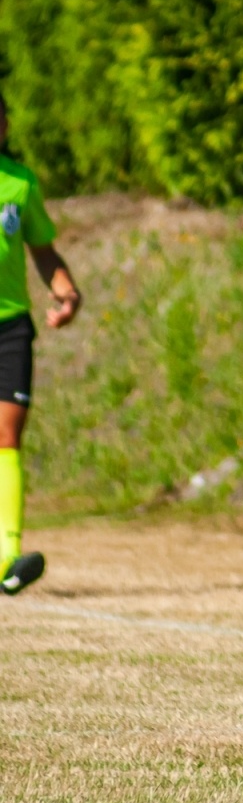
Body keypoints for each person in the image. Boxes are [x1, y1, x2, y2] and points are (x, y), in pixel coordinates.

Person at [0, 93, 81, 597]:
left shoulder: (20, 182)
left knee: (6, 436)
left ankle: (8, 555)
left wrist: (66, 291)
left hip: (10, 327)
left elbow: (43, 251)